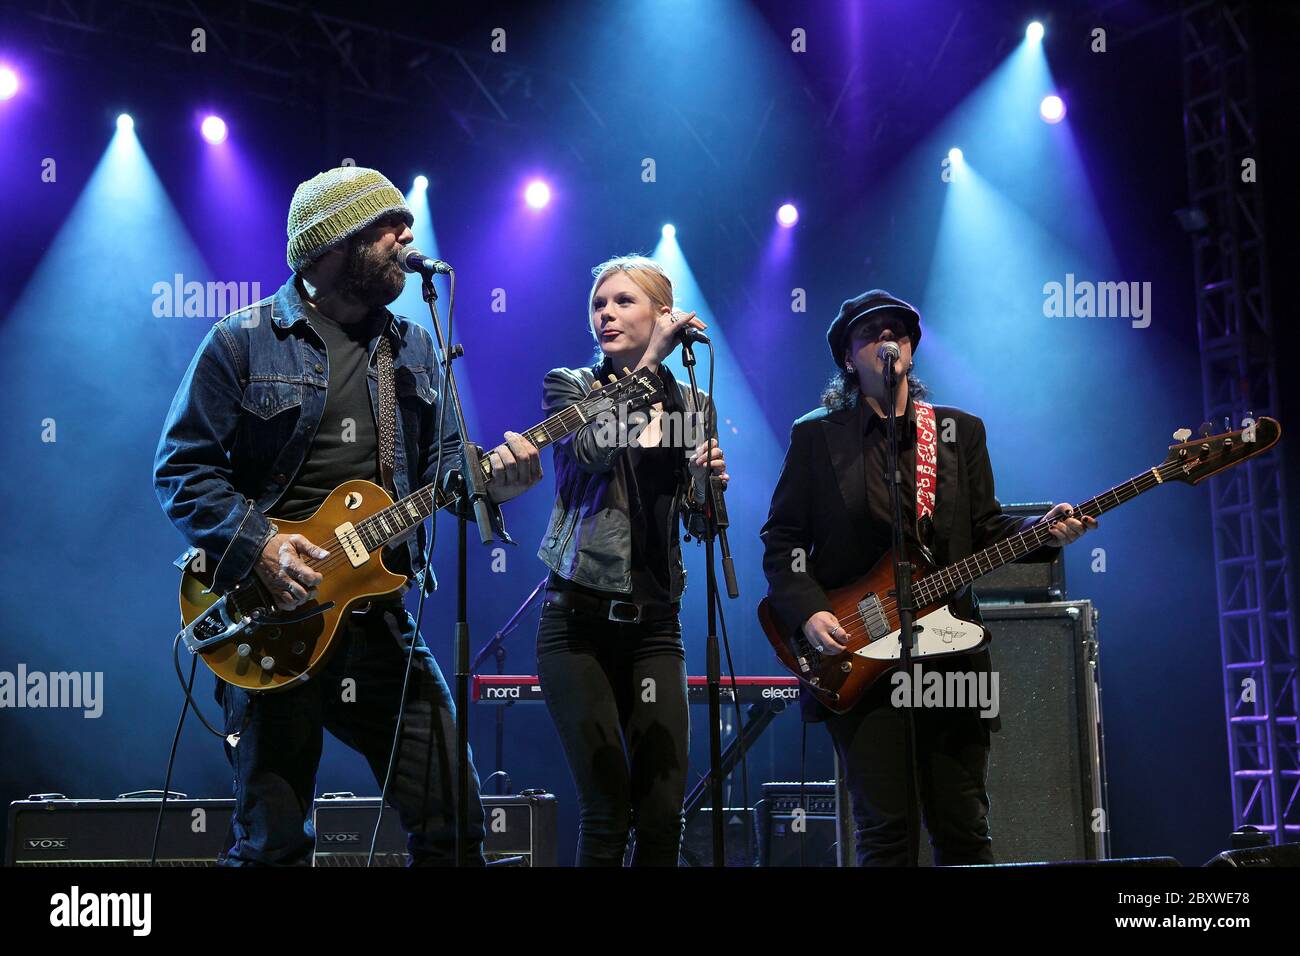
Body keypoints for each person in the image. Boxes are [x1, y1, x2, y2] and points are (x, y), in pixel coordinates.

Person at [154, 166, 542, 865]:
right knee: (273, 845)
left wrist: (494, 486)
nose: (407, 236)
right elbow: (180, 470)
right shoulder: (242, 340)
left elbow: (446, 465)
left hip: (378, 618)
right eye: (387, 226)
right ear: (332, 244)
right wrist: (263, 548)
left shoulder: (414, 348)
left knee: (454, 823)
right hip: (271, 618)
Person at [760, 289, 1095, 866]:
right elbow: (783, 539)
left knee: (963, 826)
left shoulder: (957, 432)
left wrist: (1040, 531)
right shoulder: (817, 436)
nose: (888, 341)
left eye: (900, 332)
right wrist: (809, 608)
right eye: (871, 335)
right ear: (848, 358)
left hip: (950, 655)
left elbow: (987, 527)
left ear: (912, 351)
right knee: (886, 833)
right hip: (858, 653)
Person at [534, 255, 727, 865]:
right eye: (599, 304)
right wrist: (647, 369)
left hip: (655, 625)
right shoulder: (571, 388)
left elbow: (700, 525)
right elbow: (592, 448)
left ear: (662, 313)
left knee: (663, 814)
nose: (606, 315)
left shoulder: (692, 404)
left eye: (623, 301)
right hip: (579, 625)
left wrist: (706, 486)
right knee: (607, 811)